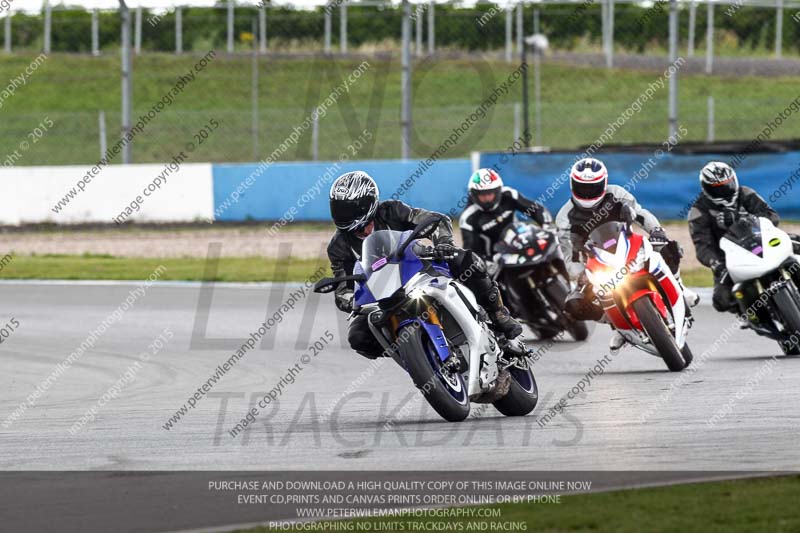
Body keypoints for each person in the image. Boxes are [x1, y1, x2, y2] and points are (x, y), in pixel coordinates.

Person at [326, 170, 522, 359]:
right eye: (340, 208)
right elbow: (343, 289)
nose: (345, 215)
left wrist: (443, 243)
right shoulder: (338, 246)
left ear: (367, 204)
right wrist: (352, 301)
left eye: (350, 209)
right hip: (382, 296)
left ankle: (497, 314)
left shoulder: (392, 211)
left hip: (417, 267)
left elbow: (434, 220)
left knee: (465, 260)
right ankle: (416, 354)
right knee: (358, 336)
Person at [556, 157, 698, 354]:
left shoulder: (616, 193)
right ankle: (617, 325)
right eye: (583, 187)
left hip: (628, 245)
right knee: (575, 305)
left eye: (593, 187)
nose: (587, 192)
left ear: (603, 184)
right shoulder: (565, 216)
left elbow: (640, 214)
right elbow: (569, 255)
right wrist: (580, 274)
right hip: (596, 261)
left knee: (669, 248)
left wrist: (656, 231)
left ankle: (680, 288)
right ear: (573, 185)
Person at [688, 161, 800, 313]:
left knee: (796, 243)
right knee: (722, 301)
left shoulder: (745, 193)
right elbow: (702, 247)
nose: (725, 190)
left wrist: (742, 217)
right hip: (730, 259)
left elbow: (771, 216)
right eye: (718, 188)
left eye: (728, 184)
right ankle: (758, 316)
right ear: (706, 188)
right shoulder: (698, 211)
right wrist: (717, 264)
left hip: (762, 242)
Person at [458, 168, 552, 260]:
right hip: (493, 260)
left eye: (490, 194)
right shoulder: (467, 218)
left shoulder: (509, 195)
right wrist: (486, 262)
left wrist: (547, 226)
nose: (486, 198)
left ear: (498, 191)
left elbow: (536, 209)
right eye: (482, 195)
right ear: (474, 195)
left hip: (520, 245)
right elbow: (469, 251)